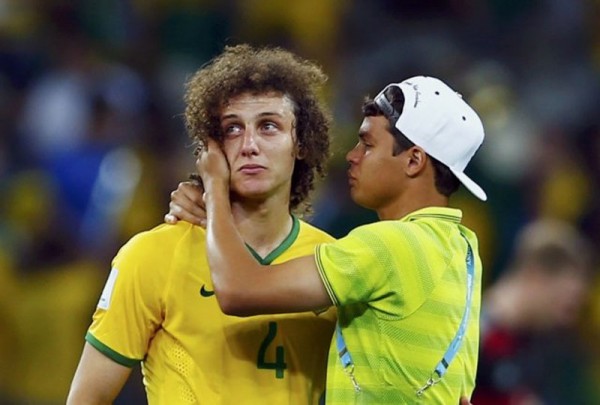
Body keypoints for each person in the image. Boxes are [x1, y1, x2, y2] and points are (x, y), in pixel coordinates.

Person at [67, 44, 337, 404]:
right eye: (232, 129)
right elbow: (88, 398)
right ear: (209, 149)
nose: (250, 145)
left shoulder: (333, 262)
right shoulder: (152, 255)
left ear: (300, 143)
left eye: (269, 126)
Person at [192, 75, 486, 403]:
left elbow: (238, 290)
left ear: (414, 161)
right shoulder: (464, 248)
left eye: (368, 144)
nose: (352, 155)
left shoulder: (389, 245)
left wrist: (214, 188)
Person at [472, 218, 595, 404]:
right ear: (535, 275)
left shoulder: (534, 345)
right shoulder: (474, 335)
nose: (566, 319)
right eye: (563, 303)